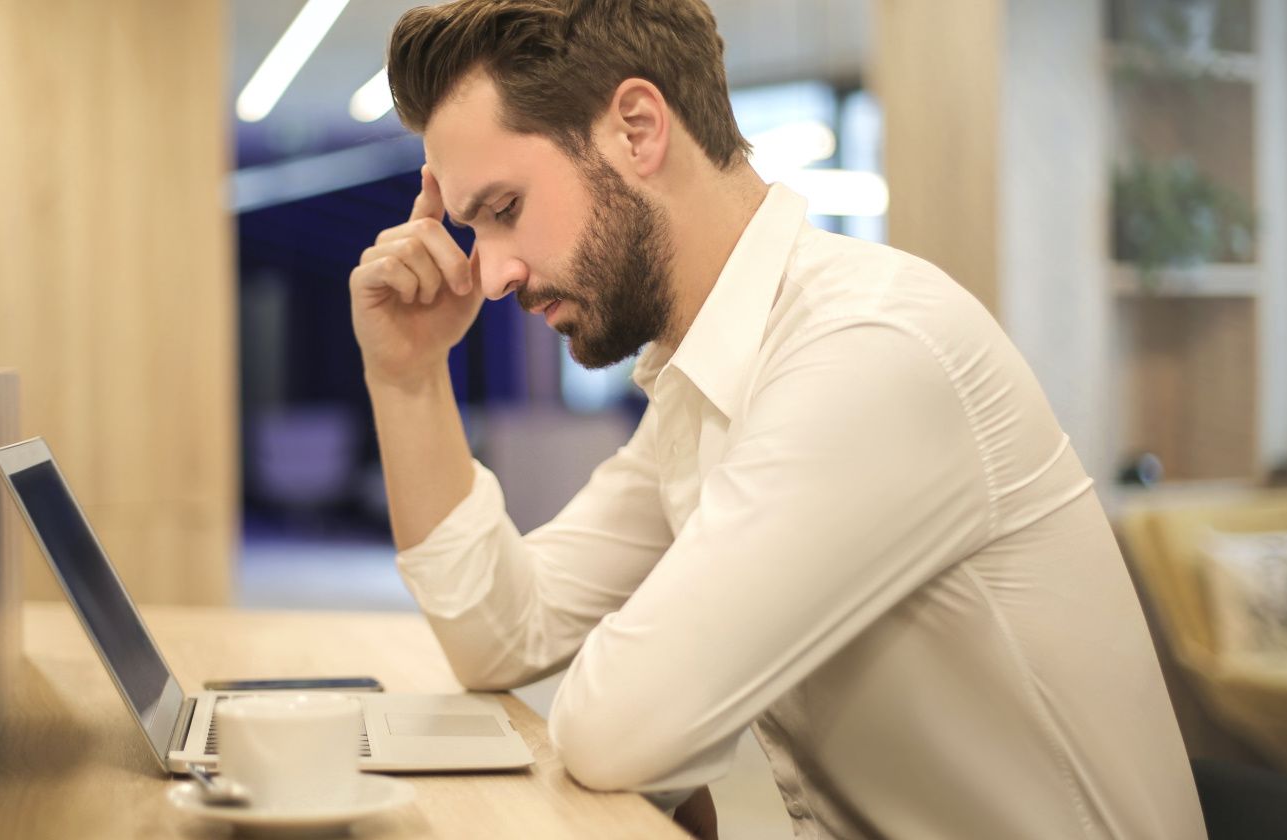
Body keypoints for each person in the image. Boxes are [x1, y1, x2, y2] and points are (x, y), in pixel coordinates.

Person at [347, 1, 1208, 837]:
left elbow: (621, 730)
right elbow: (503, 636)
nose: (491, 273)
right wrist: (410, 375)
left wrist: (658, 739)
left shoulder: (868, 350)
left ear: (638, 129)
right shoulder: (712, 380)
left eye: (505, 210)